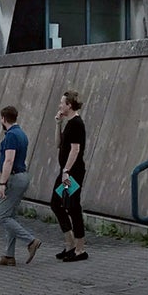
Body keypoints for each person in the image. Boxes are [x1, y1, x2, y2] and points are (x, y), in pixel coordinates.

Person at [0, 105, 40, 266]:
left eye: (1, 118)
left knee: (2, 217)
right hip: (22, 177)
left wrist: (2, 183)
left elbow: (9, 160)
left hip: (13, 178)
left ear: (3, 119)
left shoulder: (11, 136)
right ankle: (9, 256)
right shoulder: (21, 134)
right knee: (10, 215)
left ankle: (31, 241)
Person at [51, 90, 88, 261]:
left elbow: (76, 149)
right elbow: (59, 144)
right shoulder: (69, 123)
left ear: (69, 105)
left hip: (71, 174)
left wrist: (66, 171)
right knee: (57, 204)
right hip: (66, 172)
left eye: (62, 103)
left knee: (72, 207)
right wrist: (58, 124)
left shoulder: (76, 124)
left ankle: (79, 249)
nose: (59, 105)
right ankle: (70, 243)